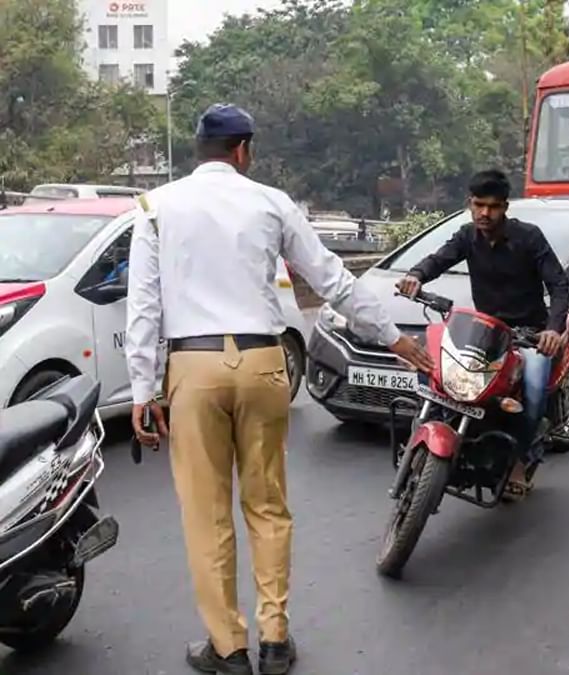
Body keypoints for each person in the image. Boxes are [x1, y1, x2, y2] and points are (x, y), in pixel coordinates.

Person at [125, 103, 432, 675]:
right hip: (266, 364)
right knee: (267, 506)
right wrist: (394, 338)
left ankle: (228, 647)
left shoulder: (156, 207)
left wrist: (143, 390)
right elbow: (333, 280)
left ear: (200, 151)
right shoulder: (271, 203)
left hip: (193, 369)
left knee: (207, 513)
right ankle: (274, 639)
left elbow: (143, 305)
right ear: (243, 151)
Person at [397, 170, 569, 501]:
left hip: (528, 336)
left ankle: (519, 460)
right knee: (433, 369)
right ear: (470, 204)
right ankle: (427, 432)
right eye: (478, 205)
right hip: (486, 334)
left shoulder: (529, 238)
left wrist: (553, 329)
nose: (484, 214)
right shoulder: (467, 237)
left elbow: (559, 285)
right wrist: (415, 276)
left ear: (505, 207)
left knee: (533, 395)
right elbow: (438, 260)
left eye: (492, 207)